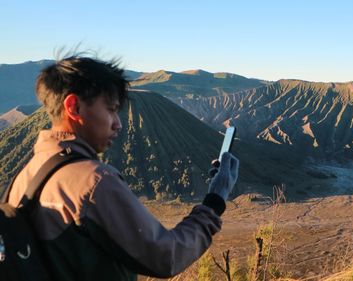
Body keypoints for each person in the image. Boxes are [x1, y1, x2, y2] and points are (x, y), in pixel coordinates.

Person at [6, 55, 239, 280]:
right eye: (111, 109)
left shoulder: (25, 176)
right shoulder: (94, 182)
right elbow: (166, 256)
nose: (117, 123)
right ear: (74, 107)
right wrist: (214, 201)